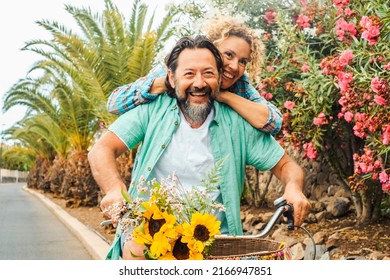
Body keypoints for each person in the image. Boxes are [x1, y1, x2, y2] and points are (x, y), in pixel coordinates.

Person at [88, 35, 310, 260]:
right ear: (171, 79)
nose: (199, 83)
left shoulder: (237, 123)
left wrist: (293, 187)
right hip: (149, 242)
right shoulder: (151, 110)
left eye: (208, 73)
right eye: (189, 74)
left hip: (216, 246)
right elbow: (102, 150)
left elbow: (285, 165)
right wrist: (114, 189)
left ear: (219, 76)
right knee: (134, 250)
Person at [107, 16, 282, 134]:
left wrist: (223, 96)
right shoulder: (178, 69)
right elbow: (114, 104)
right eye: (228, 55)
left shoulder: (240, 84)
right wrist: (169, 83)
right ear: (212, 50)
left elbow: (273, 122)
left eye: (243, 61)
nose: (235, 66)